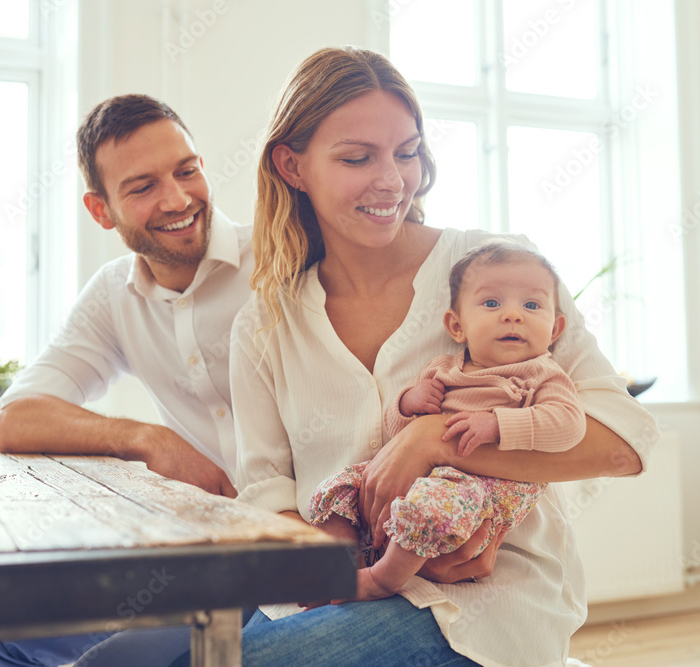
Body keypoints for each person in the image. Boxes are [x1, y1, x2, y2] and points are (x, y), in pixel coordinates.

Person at [216, 46, 658, 666]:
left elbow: (625, 440)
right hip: (332, 594)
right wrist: (329, 552)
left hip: (484, 598)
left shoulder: (495, 273)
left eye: (407, 152)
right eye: (356, 157)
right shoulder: (266, 321)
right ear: (292, 166)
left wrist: (439, 440)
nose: (392, 180)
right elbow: (267, 488)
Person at [0, 94, 253, 666]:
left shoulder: (278, 259)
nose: (179, 198)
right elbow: (18, 417)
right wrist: (147, 439)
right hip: (196, 557)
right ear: (101, 210)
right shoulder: (115, 292)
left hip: (288, 557)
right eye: (142, 187)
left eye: (186, 170)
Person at [309, 241, 586, 603]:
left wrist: (498, 424)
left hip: (485, 483)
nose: (513, 315)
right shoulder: (442, 369)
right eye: (492, 303)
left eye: (531, 305)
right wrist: (408, 404)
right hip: (425, 474)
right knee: (340, 484)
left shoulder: (542, 374)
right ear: (457, 326)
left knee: (433, 504)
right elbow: (400, 436)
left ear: (554, 329)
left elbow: (569, 423)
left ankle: (381, 580)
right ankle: (345, 564)